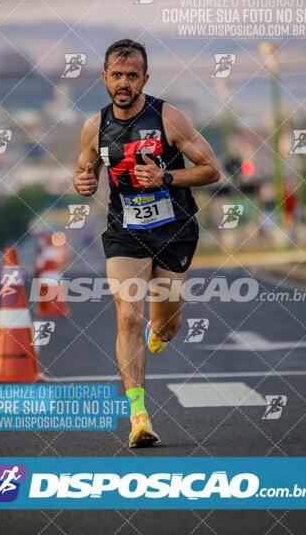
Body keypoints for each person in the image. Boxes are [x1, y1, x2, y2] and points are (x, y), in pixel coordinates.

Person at [73, 39, 221, 447]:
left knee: (165, 323)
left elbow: (211, 170)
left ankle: (164, 329)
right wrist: (83, 181)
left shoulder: (169, 118)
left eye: (132, 76)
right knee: (128, 318)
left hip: (174, 232)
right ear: (105, 77)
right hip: (125, 232)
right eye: (117, 75)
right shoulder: (95, 127)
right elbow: (85, 171)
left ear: (145, 79)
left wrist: (166, 178)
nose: (124, 83)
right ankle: (138, 416)